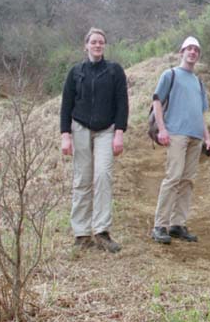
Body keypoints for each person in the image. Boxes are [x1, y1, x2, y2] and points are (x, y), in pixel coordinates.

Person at [60, 27, 129, 253]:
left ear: (104, 46)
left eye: (101, 42)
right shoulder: (75, 72)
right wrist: (65, 136)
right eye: (93, 42)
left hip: (106, 130)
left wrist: (119, 132)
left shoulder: (114, 71)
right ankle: (81, 234)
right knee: (82, 179)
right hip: (79, 128)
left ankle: (102, 232)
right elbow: (66, 105)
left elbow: (122, 104)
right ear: (86, 45)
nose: (97, 45)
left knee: (102, 177)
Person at [151, 36, 210, 245]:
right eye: (190, 49)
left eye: (196, 50)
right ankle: (160, 225)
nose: (193, 53)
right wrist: (162, 129)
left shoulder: (198, 81)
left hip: (196, 136)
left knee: (187, 181)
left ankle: (178, 224)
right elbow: (157, 102)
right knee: (173, 177)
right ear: (182, 52)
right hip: (176, 134)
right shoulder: (170, 75)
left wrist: (208, 138)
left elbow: (200, 112)